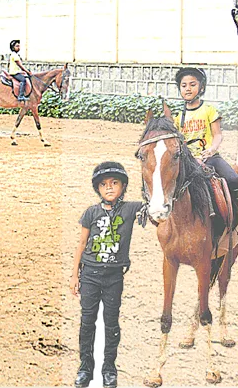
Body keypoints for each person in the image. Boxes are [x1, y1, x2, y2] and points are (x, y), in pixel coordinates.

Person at [69, 162, 143, 388]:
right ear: (97, 189)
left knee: (111, 323)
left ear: (123, 186)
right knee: (87, 321)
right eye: (103, 184)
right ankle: (85, 367)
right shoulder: (91, 212)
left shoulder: (131, 209)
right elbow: (81, 244)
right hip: (90, 274)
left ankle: (109, 368)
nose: (109, 188)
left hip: (114, 277)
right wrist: (75, 276)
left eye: (114, 183)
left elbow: (156, 211)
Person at [173, 67, 238, 225]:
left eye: (192, 84)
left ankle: (233, 218)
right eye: (184, 85)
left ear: (201, 87)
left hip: (209, 158)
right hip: (188, 161)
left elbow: (217, 134)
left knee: (232, 179)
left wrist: (212, 149)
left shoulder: (209, 110)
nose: (188, 88)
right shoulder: (177, 116)